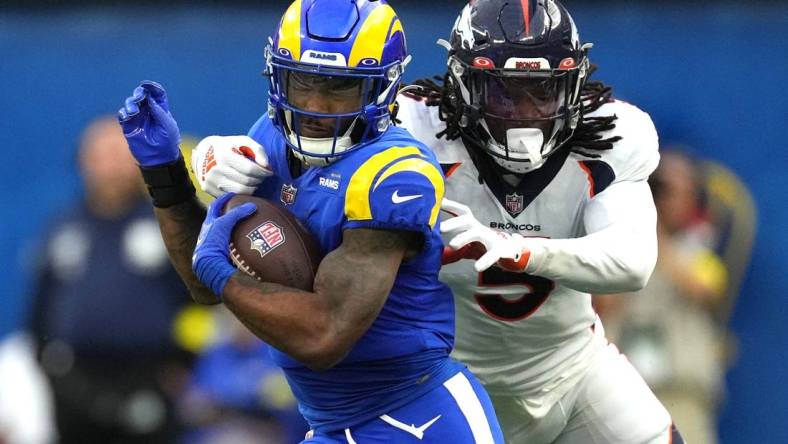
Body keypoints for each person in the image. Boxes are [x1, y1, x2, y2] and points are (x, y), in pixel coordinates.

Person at [117, 0, 503, 442]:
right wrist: (165, 172)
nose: (317, 106)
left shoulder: (395, 174)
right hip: (330, 423)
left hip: (417, 419)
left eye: (341, 86)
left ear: (382, 87)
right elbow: (203, 284)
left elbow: (325, 336)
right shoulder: (269, 135)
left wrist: (222, 274)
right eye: (304, 81)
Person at [28, 116, 192, 443]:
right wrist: (46, 363)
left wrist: (184, 363)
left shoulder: (167, 226)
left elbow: (197, 297)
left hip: (148, 375)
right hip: (75, 379)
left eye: (120, 157)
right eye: (100, 157)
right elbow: (40, 306)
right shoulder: (63, 227)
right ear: (83, 163)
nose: (110, 168)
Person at [597, 149, 730, 444]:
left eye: (675, 192)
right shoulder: (625, 247)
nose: (666, 200)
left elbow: (703, 290)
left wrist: (656, 238)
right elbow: (604, 305)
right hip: (626, 393)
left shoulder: (702, 251)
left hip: (682, 393)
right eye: (659, 189)